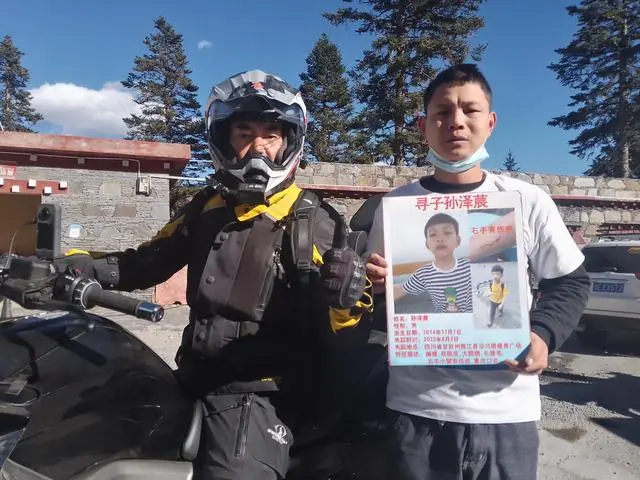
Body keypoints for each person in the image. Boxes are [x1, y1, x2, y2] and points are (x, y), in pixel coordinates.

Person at [58, 69, 371, 480]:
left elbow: (349, 332)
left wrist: (346, 300)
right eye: (244, 133)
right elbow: (145, 261)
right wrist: (76, 264)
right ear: (224, 139)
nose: (258, 147)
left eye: (271, 135)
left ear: (289, 142)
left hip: (262, 393)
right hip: (191, 376)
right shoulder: (206, 207)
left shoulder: (316, 221)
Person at [364, 64, 590, 480]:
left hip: (507, 413)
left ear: (491, 122)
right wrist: (376, 288)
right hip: (416, 411)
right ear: (423, 126)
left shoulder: (526, 200)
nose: (456, 122)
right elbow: (379, 305)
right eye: (442, 112)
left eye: (470, 110)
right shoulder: (396, 208)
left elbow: (570, 281)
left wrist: (543, 334)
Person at [395, 212, 472, 313]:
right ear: (427, 245)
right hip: (442, 320)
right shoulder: (423, 274)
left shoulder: (469, 266)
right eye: (433, 234)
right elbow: (400, 290)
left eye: (447, 233)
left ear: (458, 241)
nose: (440, 239)